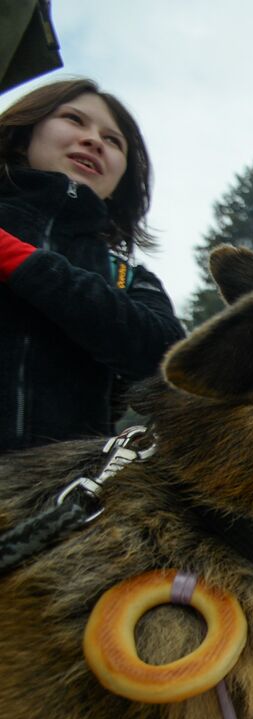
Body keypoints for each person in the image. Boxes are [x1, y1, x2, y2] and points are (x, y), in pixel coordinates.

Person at [0, 77, 184, 455]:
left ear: (119, 181)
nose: (94, 141)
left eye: (113, 141)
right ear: (22, 139)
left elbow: (169, 363)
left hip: (58, 504)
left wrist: (18, 261)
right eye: (73, 119)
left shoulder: (127, 277)